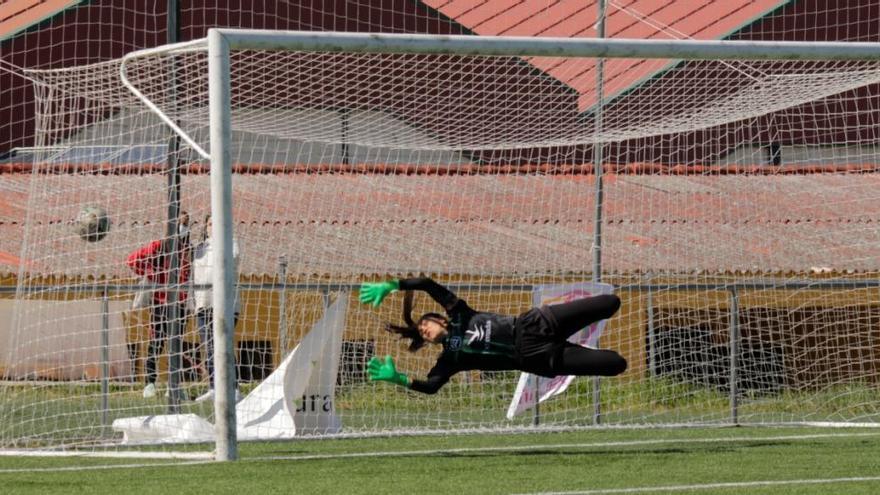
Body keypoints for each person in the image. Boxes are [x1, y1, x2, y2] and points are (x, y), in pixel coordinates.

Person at [360, 277, 626, 394]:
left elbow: (428, 284)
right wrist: (400, 380)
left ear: (439, 318)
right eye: (422, 334)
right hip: (535, 356)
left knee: (610, 302)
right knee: (616, 364)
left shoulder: (460, 312)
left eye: (425, 324)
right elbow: (431, 387)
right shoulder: (452, 358)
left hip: (534, 325)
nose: (425, 331)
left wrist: (392, 285)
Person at [127, 211, 192, 399]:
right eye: (180, 223)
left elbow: (188, 274)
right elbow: (132, 261)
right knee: (156, 344)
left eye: (186, 225)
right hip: (159, 303)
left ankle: (174, 386)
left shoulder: (186, 249)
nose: (183, 227)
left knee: (177, 345)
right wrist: (149, 270)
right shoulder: (158, 247)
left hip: (179, 304)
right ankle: (150, 383)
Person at [192, 213, 242, 403]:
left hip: (226, 305)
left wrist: (221, 238)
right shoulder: (200, 248)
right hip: (204, 303)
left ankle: (233, 388)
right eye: (210, 223)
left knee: (223, 346)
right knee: (210, 348)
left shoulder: (232, 242)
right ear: (205, 227)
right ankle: (214, 387)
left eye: (218, 223)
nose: (213, 226)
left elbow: (234, 257)